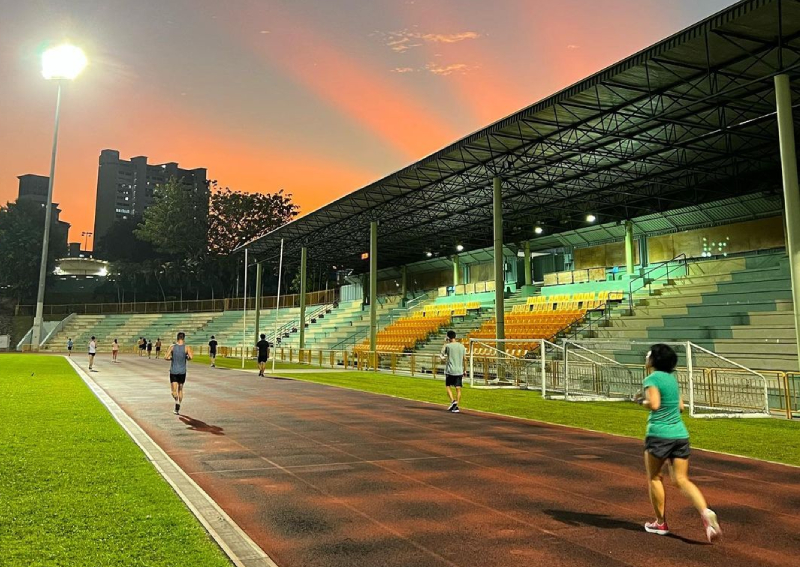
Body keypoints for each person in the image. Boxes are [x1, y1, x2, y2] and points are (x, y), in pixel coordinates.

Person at [637, 343, 721, 542]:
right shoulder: (672, 380)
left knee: (655, 478)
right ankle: (706, 512)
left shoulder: (652, 379)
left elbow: (655, 405)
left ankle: (660, 523)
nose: (646, 357)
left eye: (649, 355)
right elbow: (681, 407)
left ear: (655, 360)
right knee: (682, 480)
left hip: (659, 434)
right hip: (680, 434)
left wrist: (641, 401)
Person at [165, 332, 193, 415]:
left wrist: (172, 358)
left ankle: (176, 401)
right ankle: (178, 405)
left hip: (174, 371)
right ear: (183, 338)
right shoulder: (187, 348)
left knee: (173, 391)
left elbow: (166, 357)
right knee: (180, 389)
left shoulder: (172, 347)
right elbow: (191, 357)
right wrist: (186, 357)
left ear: (177, 338)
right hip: (182, 371)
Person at [439, 330, 466, 412]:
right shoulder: (462, 346)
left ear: (448, 337)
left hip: (450, 370)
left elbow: (442, 354)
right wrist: (465, 370)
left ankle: (453, 401)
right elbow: (465, 359)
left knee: (448, 386)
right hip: (459, 370)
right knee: (458, 388)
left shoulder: (448, 346)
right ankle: (456, 405)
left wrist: (444, 342)